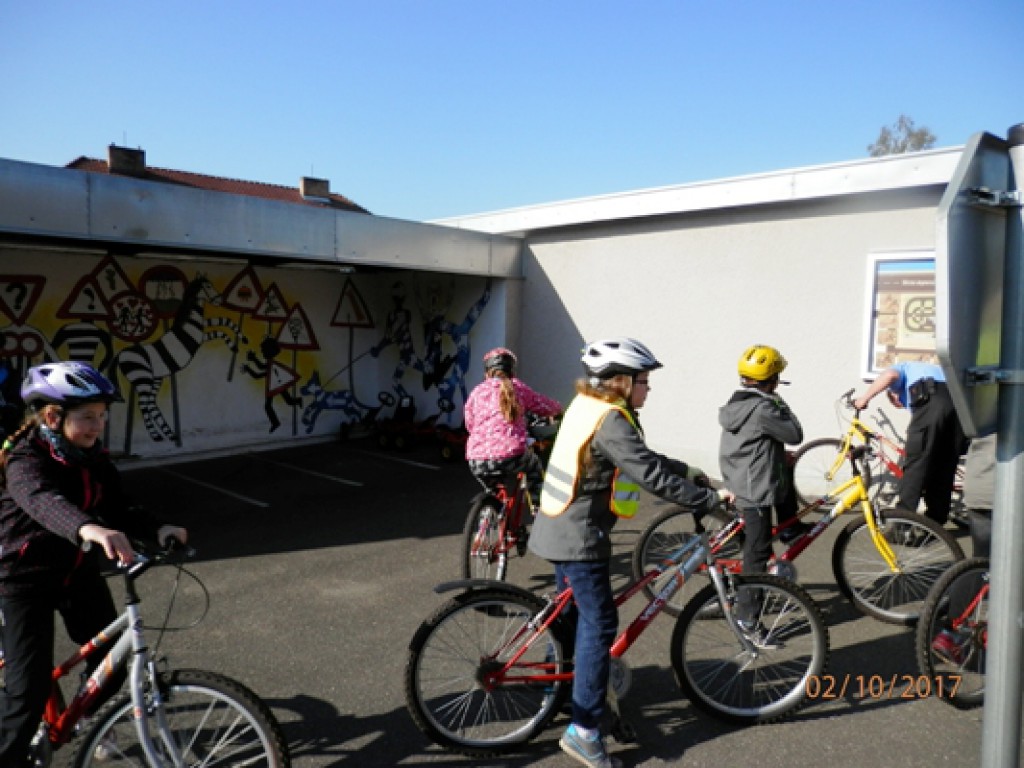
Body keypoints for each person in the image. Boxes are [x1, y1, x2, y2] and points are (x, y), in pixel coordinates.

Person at [529, 337, 729, 768]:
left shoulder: (589, 404)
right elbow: (649, 476)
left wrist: (688, 471)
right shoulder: (611, 421)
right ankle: (584, 731)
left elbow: (642, 458)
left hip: (556, 525)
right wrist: (707, 499)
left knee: (571, 617)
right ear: (622, 381)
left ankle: (558, 688)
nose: (648, 388)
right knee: (600, 623)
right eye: (644, 380)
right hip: (578, 537)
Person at [0, 362, 188, 764]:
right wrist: (88, 528)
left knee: (112, 664)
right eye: (88, 416)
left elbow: (119, 505)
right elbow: (43, 501)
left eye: (102, 416)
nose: (98, 426)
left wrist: (157, 528)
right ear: (53, 417)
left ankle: (84, 720)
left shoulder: (93, 458)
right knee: (26, 695)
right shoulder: (24, 459)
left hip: (73, 569)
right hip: (21, 579)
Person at [718, 344, 804, 640]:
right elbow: (795, 433)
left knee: (784, 466)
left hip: (740, 478)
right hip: (754, 490)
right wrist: (779, 401)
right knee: (756, 558)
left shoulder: (738, 402)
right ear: (773, 378)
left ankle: (790, 529)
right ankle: (748, 621)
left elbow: (758, 440)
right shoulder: (765, 407)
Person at [853, 361, 966, 525]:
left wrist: (864, 399)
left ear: (895, 394)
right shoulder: (932, 370)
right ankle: (935, 526)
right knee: (943, 468)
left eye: (899, 402)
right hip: (960, 405)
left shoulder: (903, 368)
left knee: (916, 467)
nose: (903, 404)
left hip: (932, 395)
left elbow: (889, 375)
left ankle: (901, 525)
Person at [463, 347, 562, 508]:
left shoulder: (477, 391)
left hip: (476, 459)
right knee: (534, 466)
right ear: (512, 371)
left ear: (487, 373)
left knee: (493, 487)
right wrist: (559, 409)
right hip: (510, 455)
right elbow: (543, 405)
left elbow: (469, 424)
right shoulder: (517, 388)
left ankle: (492, 513)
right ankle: (538, 510)